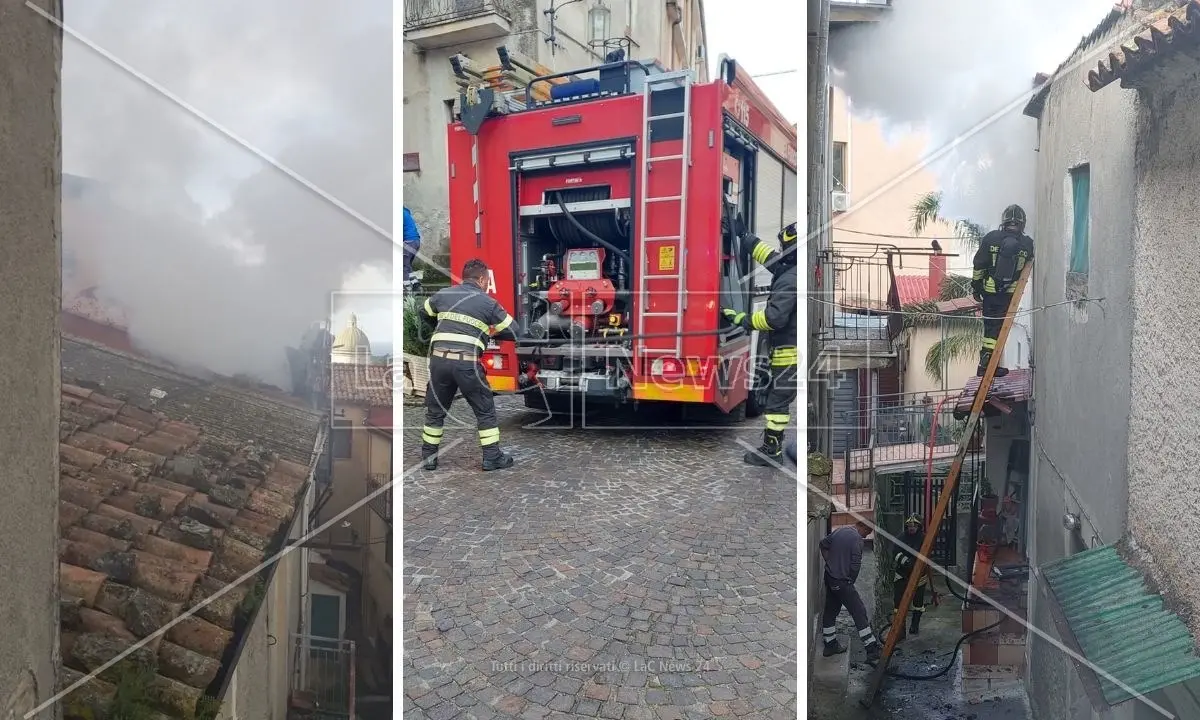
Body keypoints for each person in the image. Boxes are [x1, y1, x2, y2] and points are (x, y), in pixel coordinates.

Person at [419, 258, 518, 471]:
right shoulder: (487, 303)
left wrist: (439, 329)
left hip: (439, 362)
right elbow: (514, 330)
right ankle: (492, 458)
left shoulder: (443, 294)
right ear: (482, 279)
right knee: (485, 410)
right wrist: (490, 332)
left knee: (435, 411)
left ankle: (429, 458)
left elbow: (423, 312)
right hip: (467, 364)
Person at [721, 221, 798, 466]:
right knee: (779, 399)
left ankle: (771, 452)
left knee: (777, 403)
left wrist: (742, 319)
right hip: (789, 351)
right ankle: (771, 448)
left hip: (789, 354)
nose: (779, 251)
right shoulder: (791, 269)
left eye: (783, 247)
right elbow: (770, 257)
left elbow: (774, 318)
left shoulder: (790, 278)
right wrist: (745, 236)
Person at [971, 204, 1034, 377]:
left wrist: (976, 287)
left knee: (991, 330)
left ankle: (985, 365)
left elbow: (979, 265)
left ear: (1004, 221)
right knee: (998, 330)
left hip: (991, 293)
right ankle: (989, 366)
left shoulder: (992, 238)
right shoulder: (1027, 243)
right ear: (1022, 223)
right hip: (1009, 295)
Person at [820, 520, 882, 661]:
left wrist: (830, 563)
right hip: (842, 581)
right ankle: (871, 648)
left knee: (831, 610)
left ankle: (830, 644)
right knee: (858, 611)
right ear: (863, 527)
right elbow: (855, 566)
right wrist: (850, 581)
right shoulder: (857, 540)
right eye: (867, 532)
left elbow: (823, 544)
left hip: (830, 577)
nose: (866, 536)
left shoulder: (839, 531)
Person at [891, 513, 929, 640]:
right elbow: (896, 553)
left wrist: (919, 565)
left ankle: (915, 625)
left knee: (918, 603)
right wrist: (907, 562)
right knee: (898, 603)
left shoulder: (924, 539)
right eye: (909, 526)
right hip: (902, 574)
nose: (911, 528)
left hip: (919, 576)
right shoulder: (901, 538)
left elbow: (927, 554)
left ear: (919, 526)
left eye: (914, 526)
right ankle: (900, 629)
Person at [402, 206, 422, 285]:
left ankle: (406, 288)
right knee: (407, 264)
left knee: (403, 265)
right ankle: (415, 283)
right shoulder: (405, 212)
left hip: (409, 241)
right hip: (416, 241)